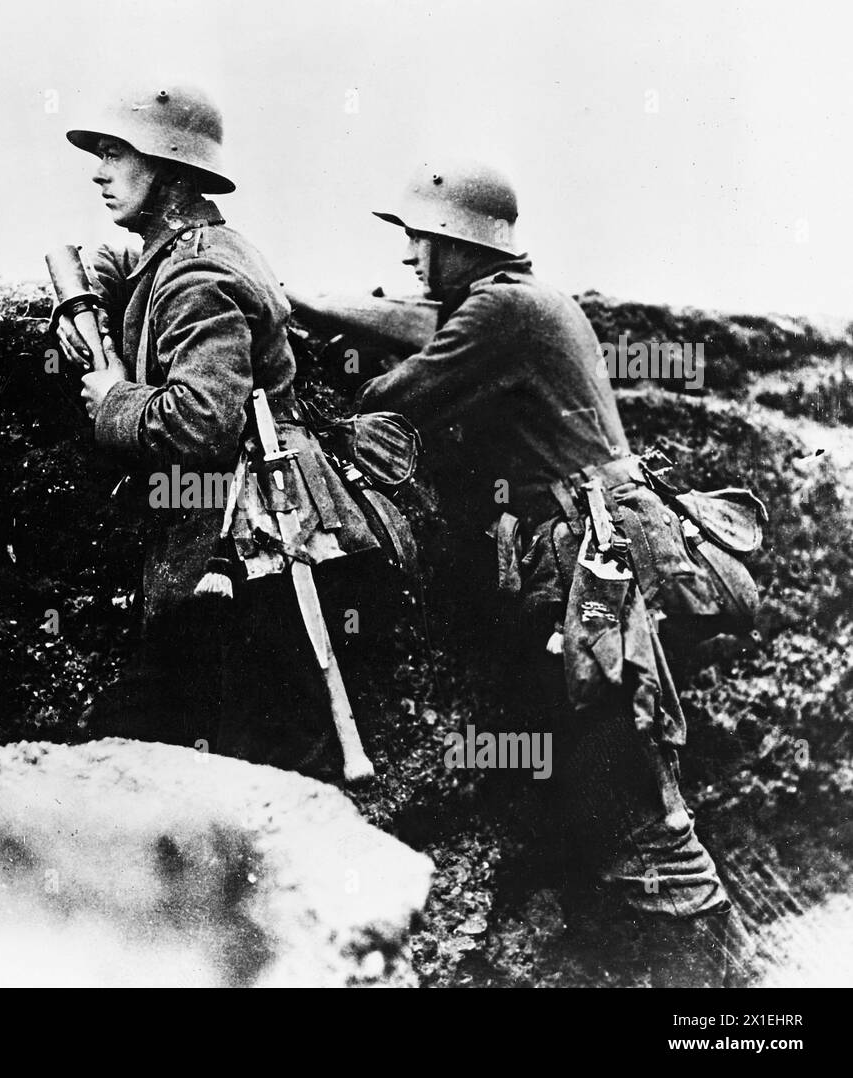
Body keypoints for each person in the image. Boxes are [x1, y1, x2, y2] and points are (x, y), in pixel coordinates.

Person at [355, 157, 754, 986]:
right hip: (607, 559)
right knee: (602, 791)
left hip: (595, 578)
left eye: (423, 239)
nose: (411, 257)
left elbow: (402, 394)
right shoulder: (526, 301)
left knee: (636, 800)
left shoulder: (501, 310)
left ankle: (730, 1001)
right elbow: (424, 324)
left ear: (464, 244)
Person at [54, 82, 388, 773]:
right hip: (250, 545)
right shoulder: (193, 252)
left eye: (116, 154)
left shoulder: (199, 272)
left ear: (170, 170)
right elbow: (132, 272)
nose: (98, 170)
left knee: (260, 767)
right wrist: (80, 307)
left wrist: (115, 399)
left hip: (258, 552)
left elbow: (201, 422)